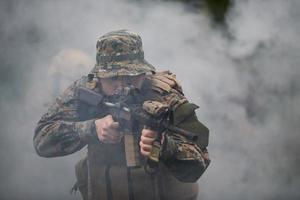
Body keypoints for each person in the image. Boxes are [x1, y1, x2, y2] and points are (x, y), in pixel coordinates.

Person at [34, 30, 210, 200]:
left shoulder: (164, 95)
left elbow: (199, 163)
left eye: (130, 76)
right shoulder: (85, 90)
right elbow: (42, 140)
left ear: (143, 72)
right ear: (98, 77)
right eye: (112, 78)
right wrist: (91, 128)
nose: (122, 86)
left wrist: (165, 146)